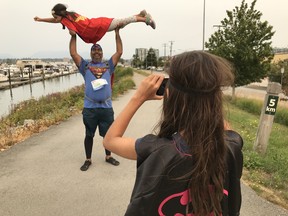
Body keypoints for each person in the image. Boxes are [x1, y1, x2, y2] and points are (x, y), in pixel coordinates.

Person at [103, 51, 243, 215]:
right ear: (216, 99)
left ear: (169, 95)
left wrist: (138, 97)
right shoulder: (232, 144)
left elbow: (110, 140)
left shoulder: (157, 150)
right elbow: (223, 126)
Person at [69, 25, 122, 171]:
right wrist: (73, 36)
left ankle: (108, 156)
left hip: (106, 107)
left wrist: (117, 33)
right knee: (89, 134)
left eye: (99, 50)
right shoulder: (85, 66)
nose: (97, 52)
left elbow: (119, 51)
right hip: (90, 108)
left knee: (108, 135)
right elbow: (73, 53)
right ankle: (88, 159)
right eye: (94, 50)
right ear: (91, 53)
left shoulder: (108, 65)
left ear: (102, 53)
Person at [34, 3, 156, 44]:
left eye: (55, 17)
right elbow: (55, 21)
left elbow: (72, 32)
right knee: (121, 23)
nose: (55, 19)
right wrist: (41, 20)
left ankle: (145, 19)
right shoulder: (71, 14)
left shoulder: (66, 20)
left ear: (60, 15)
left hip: (98, 27)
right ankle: (140, 15)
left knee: (121, 22)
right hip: (98, 22)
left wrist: (72, 34)